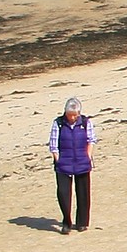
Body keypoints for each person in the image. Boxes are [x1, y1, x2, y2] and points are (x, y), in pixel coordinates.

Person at [48, 96, 96, 233]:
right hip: (64, 163)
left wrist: (87, 156)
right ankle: (67, 222)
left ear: (79, 113)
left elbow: (91, 140)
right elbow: (53, 145)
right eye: (70, 115)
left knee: (83, 193)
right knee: (63, 194)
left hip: (82, 161)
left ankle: (82, 222)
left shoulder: (86, 123)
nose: (72, 118)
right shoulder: (58, 123)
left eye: (74, 115)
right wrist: (58, 160)